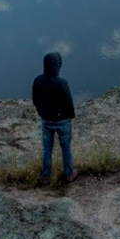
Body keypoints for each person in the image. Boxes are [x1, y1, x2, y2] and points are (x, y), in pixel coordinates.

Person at [31, 52, 76, 184]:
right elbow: (69, 103)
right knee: (66, 148)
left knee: (47, 149)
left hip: (46, 120)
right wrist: (71, 116)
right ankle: (69, 174)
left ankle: (46, 176)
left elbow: (35, 100)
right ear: (57, 65)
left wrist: (41, 113)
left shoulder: (38, 80)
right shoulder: (61, 83)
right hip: (63, 121)